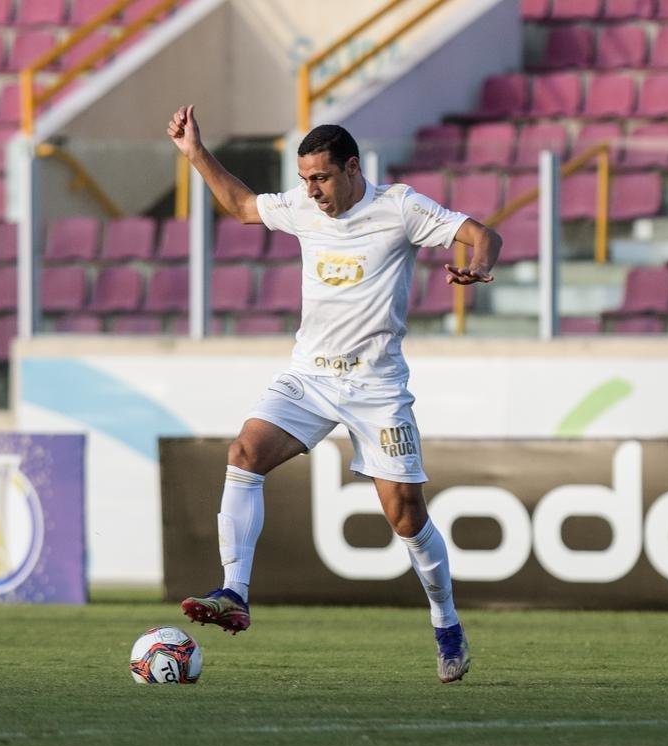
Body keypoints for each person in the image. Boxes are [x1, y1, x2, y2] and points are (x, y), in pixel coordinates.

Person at [168, 106, 501, 683]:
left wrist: (477, 265)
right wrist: (195, 152)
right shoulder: (303, 207)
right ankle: (235, 592)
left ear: (352, 168)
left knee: (405, 516)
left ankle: (446, 620)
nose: (312, 191)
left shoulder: (399, 207)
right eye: (305, 179)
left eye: (321, 177)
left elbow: (481, 234)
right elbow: (243, 206)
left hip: (376, 386)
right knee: (244, 452)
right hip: (311, 377)